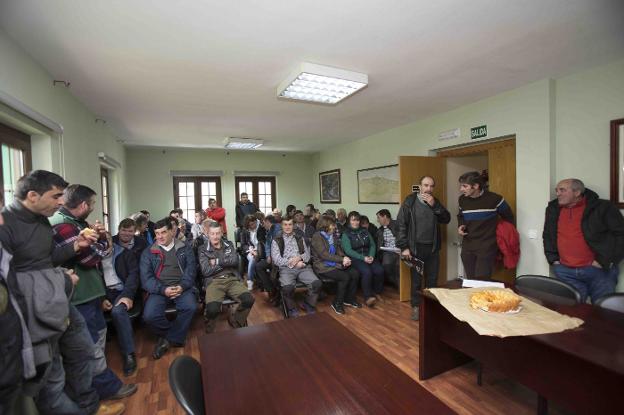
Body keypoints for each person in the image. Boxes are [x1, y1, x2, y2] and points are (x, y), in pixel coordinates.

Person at [2, 171, 123, 415]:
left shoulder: (40, 219)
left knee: (83, 351)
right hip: (35, 315)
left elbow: (46, 260)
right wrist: (62, 281)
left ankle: (90, 405)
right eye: (56, 196)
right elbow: (15, 283)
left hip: (59, 301)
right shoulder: (7, 226)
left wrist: (75, 245)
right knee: (52, 378)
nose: (61, 202)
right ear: (33, 195)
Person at [50, 184, 137, 401]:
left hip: (90, 294)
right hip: (79, 296)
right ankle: (104, 389)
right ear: (83, 205)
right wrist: (102, 241)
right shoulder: (63, 225)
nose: (94, 207)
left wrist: (99, 239)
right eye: (93, 203)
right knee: (89, 346)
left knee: (97, 337)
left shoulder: (77, 224)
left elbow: (100, 252)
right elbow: (91, 259)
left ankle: (95, 389)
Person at [543, 178, 624, 303]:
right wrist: (553, 259)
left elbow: (621, 234)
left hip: (599, 271)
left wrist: (605, 260)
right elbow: (548, 234)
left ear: (577, 192)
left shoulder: (603, 207)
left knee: (604, 311)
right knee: (572, 311)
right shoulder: (553, 208)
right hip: (565, 271)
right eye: (557, 190)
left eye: (562, 190)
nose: (558, 193)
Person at [140, 218, 198, 359]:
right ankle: (174, 336)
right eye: (157, 233)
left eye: (163, 232)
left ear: (172, 231)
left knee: (190, 307)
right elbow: (146, 279)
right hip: (159, 289)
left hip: (181, 287)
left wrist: (182, 286)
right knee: (149, 316)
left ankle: (166, 340)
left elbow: (191, 271)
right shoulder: (148, 252)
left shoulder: (185, 247)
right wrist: (163, 290)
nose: (159, 236)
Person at [396, 176, 451, 320]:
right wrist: (404, 247)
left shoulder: (435, 201)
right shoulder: (410, 201)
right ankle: (416, 307)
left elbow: (446, 219)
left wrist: (435, 205)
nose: (429, 189)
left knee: (432, 280)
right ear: (420, 186)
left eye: (431, 186)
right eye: (426, 185)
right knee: (416, 280)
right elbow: (401, 225)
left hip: (432, 248)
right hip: (415, 248)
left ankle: (430, 307)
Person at [104, 218, 146, 376]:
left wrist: (127, 295)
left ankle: (129, 355)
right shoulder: (92, 259)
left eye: (106, 241)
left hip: (122, 291)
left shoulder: (125, 253)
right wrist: (101, 298)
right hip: (103, 293)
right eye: (124, 230)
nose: (104, 244)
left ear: (111, 240)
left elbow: (133, 276)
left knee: (117, 312)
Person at [200, 221, 255, 333]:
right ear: (208, 234)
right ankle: (209, 331)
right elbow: (205, 271)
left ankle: (236, 320)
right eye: (212, 234)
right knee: (213, 309)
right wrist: (226, 263)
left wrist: (217, 261)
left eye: (217, 233)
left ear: (221, 233)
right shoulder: (202, 249)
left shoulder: (228, 244)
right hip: (213, 281)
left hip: (231, 279)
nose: (215, 236)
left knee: (248, 299)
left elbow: (234, 261)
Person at [457, 171, 514, 279]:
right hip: (468, 246)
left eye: (465, 186)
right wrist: (461, 225)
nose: (461, 189)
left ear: (476, 186)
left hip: (487, 246)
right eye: (461, 186)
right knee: (470, 279)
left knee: (481, 280)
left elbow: (509, 218)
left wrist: (501, 238)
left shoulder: (495, 199)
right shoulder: (462, 200)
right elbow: (461, 216)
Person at [271, 216, 321, 316]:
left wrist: (298, 259)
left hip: (302, 267)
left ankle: (308, 304)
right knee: (288, 288)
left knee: (317, 284)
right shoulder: (276, 240)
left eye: (290, 224)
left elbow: (307, 255)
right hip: (285, 269)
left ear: (294, 226)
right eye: (285, 224)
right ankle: (291, 308)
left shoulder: (300, 238)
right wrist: (292, 262)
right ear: (282, 226)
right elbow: (276, 260)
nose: (288, 227)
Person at [311, 215, 361, 315]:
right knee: (344, 277)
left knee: (355, 273)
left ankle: (349, 299)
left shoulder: (332, 235)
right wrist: (342, 259)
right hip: (322, 266)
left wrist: (345, 258)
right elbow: (324, 255)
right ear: (325, 225)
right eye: (332, 225)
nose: (335, 227)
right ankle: (337, 303)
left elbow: (338, 250)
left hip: (335, 263)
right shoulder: (317, 236)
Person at [342, 211, 384, 307]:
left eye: (357, 220)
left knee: (380, 270)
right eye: (353, 220)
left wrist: (371, 256)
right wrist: (363, 258)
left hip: (368, 256)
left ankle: (376, 292)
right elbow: (348, 251)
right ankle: (368, 297)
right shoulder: (346, 234)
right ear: (349, 221)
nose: (355, 222)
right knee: (367, 272)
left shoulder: (364, 231)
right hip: (356, 258)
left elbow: (372, 245)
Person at [376, 209, 401, 288]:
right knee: (386, 265)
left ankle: (401, 288)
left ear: (385, 217)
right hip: (388, 251)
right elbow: (379, 244)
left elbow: (405, 237)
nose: (378, 220)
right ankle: (396, 284)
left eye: (379, 218)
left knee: (398, 267)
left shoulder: (398, 224)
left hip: (400, 250)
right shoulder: (380, 230)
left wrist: (402, 248)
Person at [240, 214, 264, 290]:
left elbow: (262, 242)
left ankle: (251, 280)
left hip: (261, 250)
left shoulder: (261, 228)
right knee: (252, 259)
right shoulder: (245, 230)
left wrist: (257, 250)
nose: (252, 226)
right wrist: (251, 250)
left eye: (253, 223)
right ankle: (250, 280)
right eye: (250, 225)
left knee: (255, 258)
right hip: (250, 250)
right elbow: (243, 244)